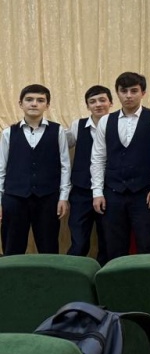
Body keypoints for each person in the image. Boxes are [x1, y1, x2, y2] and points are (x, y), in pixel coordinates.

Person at [91, 72, 150, 260]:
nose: (128, 95)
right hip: (112, 192)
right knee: (114, 247)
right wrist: (97, 192)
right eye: (123, 91)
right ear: (117, 93)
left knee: (147, 244)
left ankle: (148, 279)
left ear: (143, 93)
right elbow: (98, 158)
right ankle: (116, 279)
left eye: (134, 91)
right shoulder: (105, 121)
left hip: (145, 193)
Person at [0, 84, 70, 255]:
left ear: (47, 105)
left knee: (48, 247)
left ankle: (48, 273)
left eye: (40, 100)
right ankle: (12, 272)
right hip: (14, 197)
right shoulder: (9, 133)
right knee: (12, 247)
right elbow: (1, 168)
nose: (34, 104)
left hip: (47, 197)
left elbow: (65, 166)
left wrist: (63, 197)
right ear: (21, 103)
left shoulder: (57, 131)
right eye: (29, 99)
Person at [66, 85, 113, 263]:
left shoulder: (118, 125)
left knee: (108, 239)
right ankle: (73, 273)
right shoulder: (77, 126)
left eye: (102, 100)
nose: (98, 104)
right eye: (92, 101)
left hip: (110, 190)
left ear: (111, 103)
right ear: (87, 106)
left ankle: (104, 273)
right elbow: (61, 146)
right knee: (79, 240)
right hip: (81, 191)